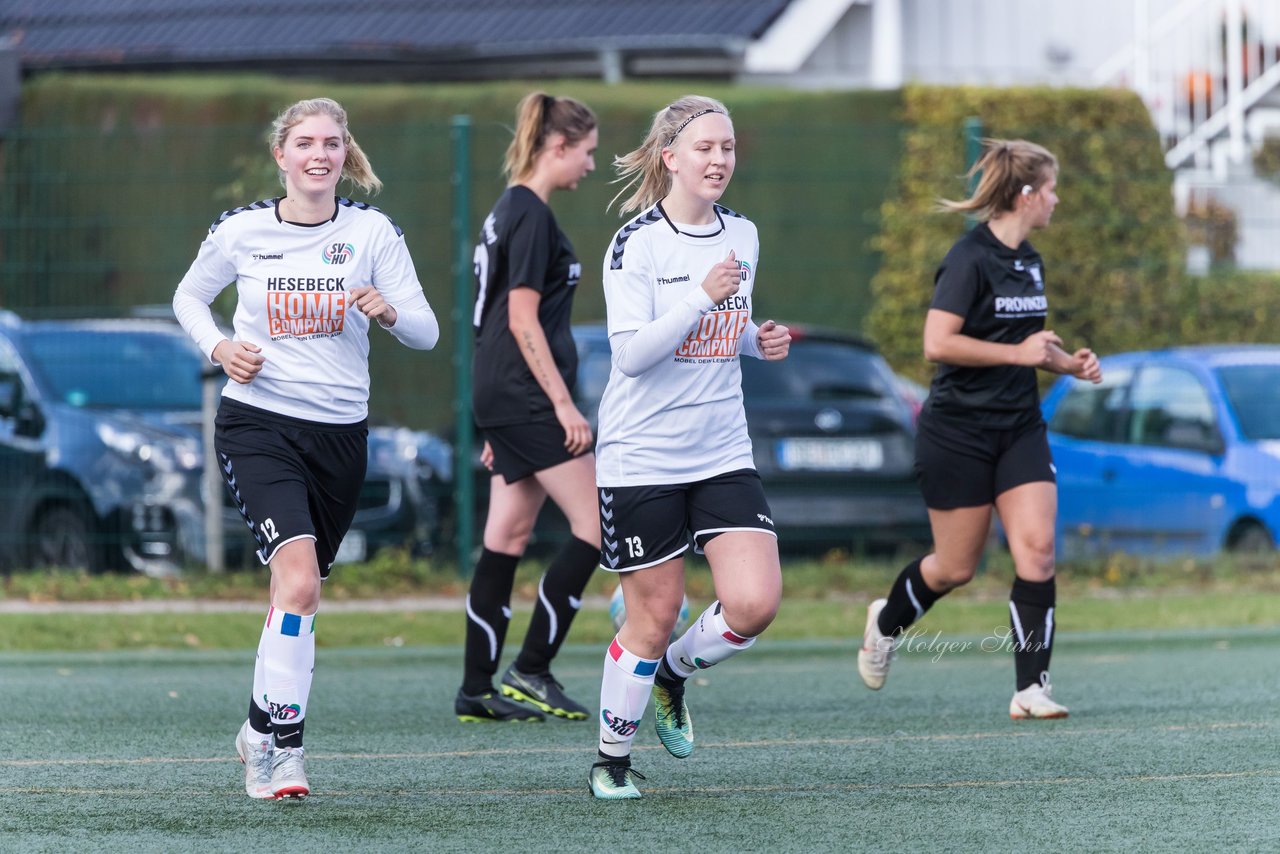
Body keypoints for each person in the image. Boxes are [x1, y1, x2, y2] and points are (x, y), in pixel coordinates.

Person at [172, 97, 439, 799]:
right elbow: (188, 300)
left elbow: (428, 332)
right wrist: (220, 347)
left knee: (298, 597)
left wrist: (390, 312)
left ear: (345, 155)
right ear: (281, 156)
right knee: (299, 583)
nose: (318, 155)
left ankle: (259, 723)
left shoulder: (374, 234)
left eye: (331, 143)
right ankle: (282, 753)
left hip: (341, 435)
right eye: (305, 143)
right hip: (258, 425)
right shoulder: (242, 232)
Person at [586, 95, 792, 799]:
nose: (719, 161)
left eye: (728, 148)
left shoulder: (746, 235)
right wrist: (702, 298)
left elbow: (724, 330)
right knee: (652, 615)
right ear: (670, 157)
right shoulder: (635, 244)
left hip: (721, 449)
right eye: (704, 148)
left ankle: (674, 673)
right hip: (641, 456)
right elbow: (634, 357)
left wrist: (756, 341)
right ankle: (611, 761)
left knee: (755, 602)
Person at [856, 138, 1102, 719]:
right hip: (957, 433)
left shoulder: (1031, 260)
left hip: (1019, 428)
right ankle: (885, 622)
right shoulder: (968, 258)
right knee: (955, 568)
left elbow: (1024, 348)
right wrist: (1019, 354)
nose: (1056, 200)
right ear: (1025, 195)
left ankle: (1030, 689)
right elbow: (937, 343)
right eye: (1050, 190)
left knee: (1037, 551)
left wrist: (1067, 364)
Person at [455, 92, 602, 724]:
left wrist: (495, 414)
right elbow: (520, 317)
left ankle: (475, 688)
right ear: (557, 146)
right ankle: (531, 669)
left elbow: (490, 315)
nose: (591, 166)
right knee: (596, 527)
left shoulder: (505, 208)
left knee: (507, 534)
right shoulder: (532, 214)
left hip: (501, 391)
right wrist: (563, 405)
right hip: (526, 392)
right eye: (588, 152)